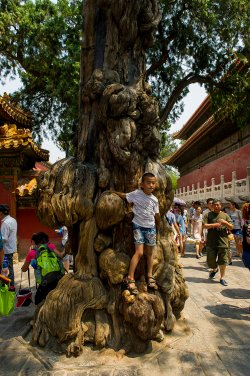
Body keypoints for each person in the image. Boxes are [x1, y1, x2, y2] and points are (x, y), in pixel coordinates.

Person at [112, 172, 160, 295]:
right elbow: (124, 196)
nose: (151, 185)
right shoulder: (136, 194)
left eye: (153, 183)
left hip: (151, 228)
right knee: (139, 252)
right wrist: (112, 192)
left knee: (149, 254)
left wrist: (157, 229)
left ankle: (150, 276)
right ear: (142, 184)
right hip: (138, 226)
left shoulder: (155, 200)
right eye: (148, 182)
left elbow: (157, 215)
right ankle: (130, 278)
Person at [22, 232, 64, 305]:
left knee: (38, 301)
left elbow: (24, 269)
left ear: (35, 241)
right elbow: (61, 255)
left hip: (44, 282)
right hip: (57, 278)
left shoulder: (32, 252)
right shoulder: (50, 246)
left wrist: (30, 254)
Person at [203, 199, 233, 286]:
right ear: (212, 206)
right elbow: (204, 226)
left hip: (223, 242)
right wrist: (214, 225)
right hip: (211, 242)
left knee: (223, 261)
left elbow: (231, 227)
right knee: (210, 261)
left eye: (218, 205)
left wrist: (225, 223)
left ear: (221, 206)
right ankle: (215, 269)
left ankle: (222, 277)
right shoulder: (208, 215)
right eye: (215, 205)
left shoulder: (225, 215)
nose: (216, 206)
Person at [0, 204, 17, 290]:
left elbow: (3, 238)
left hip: (5, 249)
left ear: (1, 213)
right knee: (9, 268)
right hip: (11, 247)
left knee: (5, 269)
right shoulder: (13, 220)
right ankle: (11, 285)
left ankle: (6, 286)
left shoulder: (5, 223)